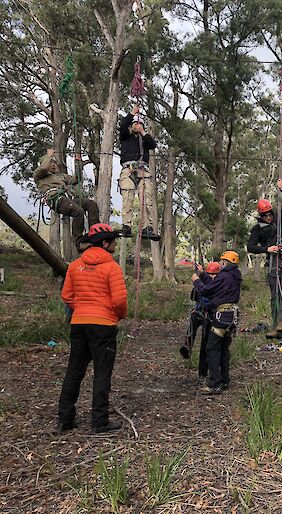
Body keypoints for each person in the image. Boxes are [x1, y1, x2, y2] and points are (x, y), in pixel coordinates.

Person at [58, 223, 128, 433]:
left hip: (79, 324)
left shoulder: (75, 266)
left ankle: (65, 419)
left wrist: (81, 309)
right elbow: (119, 301)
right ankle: (99, 421)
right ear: (105, 243)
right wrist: (118, 316)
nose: (115, 244)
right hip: (104, 326)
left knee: (74, 370)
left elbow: (66, 296)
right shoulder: (112, 268)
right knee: (102, 373)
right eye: (113, 241)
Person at [247, 178, 282, 339]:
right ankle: (276, 326)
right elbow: (250, 247)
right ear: (260, 215)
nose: (269, 217)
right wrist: (267, 249)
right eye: (265, 215)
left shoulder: (279, 219)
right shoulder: (257, 229)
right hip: (272, 262)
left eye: (270, 214)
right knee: (275, 294)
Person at [192, 251, 242, 394]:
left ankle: (215, 384)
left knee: (212, 348)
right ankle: (225, 381)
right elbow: (217, 289)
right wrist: (204, 275)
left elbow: (207, 291)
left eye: (221, 262)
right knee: (223, 349)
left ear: (226, 263)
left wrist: (196, 280)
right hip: (231, 317)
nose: (220, 264)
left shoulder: (224, 276)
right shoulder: (234, 276)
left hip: (221, 317)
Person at [33, 149, 100, 252]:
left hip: (66, 199)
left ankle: (95, 232)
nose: (55, 165)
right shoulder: (39, 175)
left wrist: (78, 163)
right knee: (78, 211)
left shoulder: (61, 176)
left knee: (91, 204)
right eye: (52, 163)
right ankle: (79, 243)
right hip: (56, 199)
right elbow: (43, 168)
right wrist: (49, 156)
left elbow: (76, 179)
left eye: (55, 163)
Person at [118, 104, 159, 240]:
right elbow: (123, 125)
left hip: (143, 172)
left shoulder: (145, 140)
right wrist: (132, 113)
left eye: (139, 124)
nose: (137, 125)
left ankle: (148, 227)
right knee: (128, 197)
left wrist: (143, 132)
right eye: (135, 123)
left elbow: (153, 145)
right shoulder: (125, 136)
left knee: (146, 199)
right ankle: (126, 226)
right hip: (128, 170)